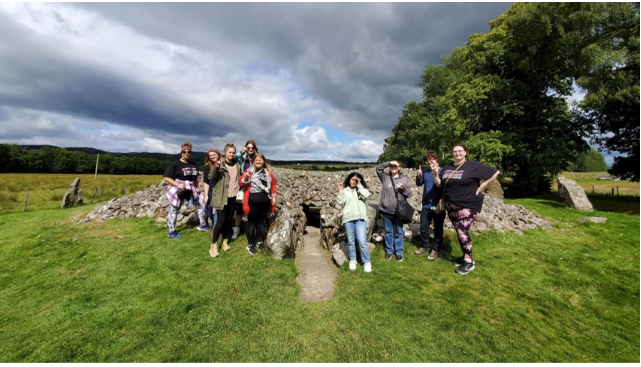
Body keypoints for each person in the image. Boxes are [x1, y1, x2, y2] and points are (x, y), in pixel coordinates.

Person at [432, 143, 500, 275]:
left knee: (462, 230)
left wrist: (482, 186)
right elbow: (440, 184)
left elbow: (495, 172)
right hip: (451, 205)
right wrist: (435, 174)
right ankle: (464, 256)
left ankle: (469, 262)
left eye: (460, 151)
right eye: (454, 151)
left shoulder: (473, 165)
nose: (457, 153)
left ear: (465, 152)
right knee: (460, 232)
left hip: (468, 205)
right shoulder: (448, 167)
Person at [163, 142, 208, 239]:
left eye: (189, 152)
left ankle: (202, 224)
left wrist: (196, 187)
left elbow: (195, 177)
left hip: (191, 188)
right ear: (181, 152)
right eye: (184, 151)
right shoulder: (175, 164)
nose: (187, 153)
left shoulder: (193, 164)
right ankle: (171, 231)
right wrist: (177, 184)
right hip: (179, 188)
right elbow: (166, 178)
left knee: (202, 202)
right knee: (174, 209)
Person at [207, 143, 242, 257]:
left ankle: (224, 241)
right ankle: (213, 245)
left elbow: (238, 178)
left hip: (233, 196)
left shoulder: (236, 164)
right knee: (220, 221)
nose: (231, 154)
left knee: (228, 220)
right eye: (229, 152)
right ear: (225, 152)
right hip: (222, 197)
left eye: (233, 152)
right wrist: (216, 167)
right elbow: (211, 178)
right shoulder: (219, 164)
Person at [238, 153, 277, 255]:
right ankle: (250, 244)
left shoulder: (268, 173)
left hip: (265, 202)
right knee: (252, 223)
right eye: (256, 160)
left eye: (260, 160)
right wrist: (246, 178)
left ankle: (260, 242)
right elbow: (240, 183)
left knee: (260, 222)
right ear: (253, 161)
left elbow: (273, 184)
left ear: (264, 161)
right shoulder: (249, 172)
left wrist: (273, 197)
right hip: (252, 202)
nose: (258, 161)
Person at [376, 160, 412, 262]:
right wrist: (389, 162)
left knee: (399, 232)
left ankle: (399, 252)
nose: (393, 167)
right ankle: (389, 251)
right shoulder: (385, 177)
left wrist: (403, 188)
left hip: (399, 211)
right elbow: (378, 168)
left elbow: (409, 194)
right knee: (388, 232)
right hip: (386, 210)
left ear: (399, 168)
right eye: (392, 166)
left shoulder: (404, 179)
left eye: (396, 166)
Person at [336, 172, 372, 272]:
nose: (354, 182)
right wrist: (340, 190)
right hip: (348, 218)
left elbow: (366, 195)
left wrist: (359, 185)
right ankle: (353, 259)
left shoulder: (361, 190)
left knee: (361, 240)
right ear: (349, 180)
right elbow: (340, 202)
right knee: (351, 240)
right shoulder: (345, 191)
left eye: (356, 180)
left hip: (360, 218)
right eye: (352, 179)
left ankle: (367, 262)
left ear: (359, 181)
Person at [414, 150, 445, 260]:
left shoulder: (443, 171)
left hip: (439, 204)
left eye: (431, 159)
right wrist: (418, 176)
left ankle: (435, 250)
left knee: (438, 228)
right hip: (426, 205)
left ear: (436, 159)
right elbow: (419, 184)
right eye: (427, 160)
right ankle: (424, 246)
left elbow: (446, 189)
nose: (429, 162)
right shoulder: (426, 171)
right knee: (423, 227)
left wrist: (441, 205)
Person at [231, 140, 259, 240]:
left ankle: (252, 229)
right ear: (246, 148)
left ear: (255, 149)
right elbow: (232, 157)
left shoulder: (257, 158)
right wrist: (241, 152)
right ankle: (236, 230)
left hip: (254, 186)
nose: (250, 149)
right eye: (248, 148)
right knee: (239, 207)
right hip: (242, 185)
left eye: (252, 148)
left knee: (253, 207)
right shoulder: (242, 158)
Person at [203, 148, 221, 233]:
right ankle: (215, 229)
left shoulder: (224, 163)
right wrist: (206, 195)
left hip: (223, 189)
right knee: (214, 210)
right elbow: (206, 182)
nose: (213, 157)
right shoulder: (207, 167)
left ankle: (222, 229)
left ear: (218, 154)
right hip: (212, 190)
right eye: (211, 156)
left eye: (214, 154)